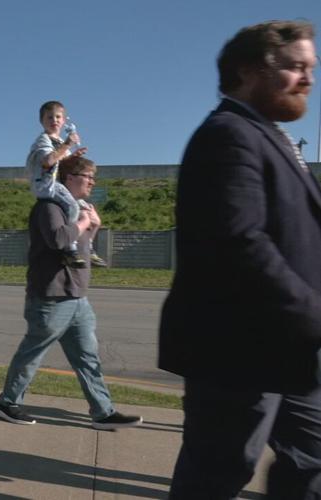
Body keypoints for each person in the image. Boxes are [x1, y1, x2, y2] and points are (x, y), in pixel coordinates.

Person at [159, 21, 321, 498]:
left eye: (311, 68)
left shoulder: (269, 137)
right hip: (236, 353)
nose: (308, 78)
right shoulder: (227, 135)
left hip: (290, 349)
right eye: (296, 67)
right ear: (249, 71)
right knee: (217, 474)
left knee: (312, 463)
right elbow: (238, 242)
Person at [0, 156, 141, 430]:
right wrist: (84, 222)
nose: (92, 182)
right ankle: (7, 402)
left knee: (87, 357)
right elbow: (59, 239)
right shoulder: (50, 206)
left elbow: (80, 246)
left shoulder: (76, 209)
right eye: (88, 177)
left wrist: (92, 226)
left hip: (77, 299)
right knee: (32, 353)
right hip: (52, 298)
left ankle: (103, 412)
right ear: (69, 177)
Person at [27, 101, 106, 268]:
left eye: (58, 117)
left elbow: (63, 163)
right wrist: (68, 145)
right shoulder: (44, 141)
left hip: (57, 184)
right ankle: (70, 249)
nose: (54, 120)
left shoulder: (60, 141)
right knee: (73, 207)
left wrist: (73, 155)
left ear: (64, 121)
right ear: (42, 121)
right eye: (49, 117)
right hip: (46, 185)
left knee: (88, 211)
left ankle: (88, 248)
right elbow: (48, 161)